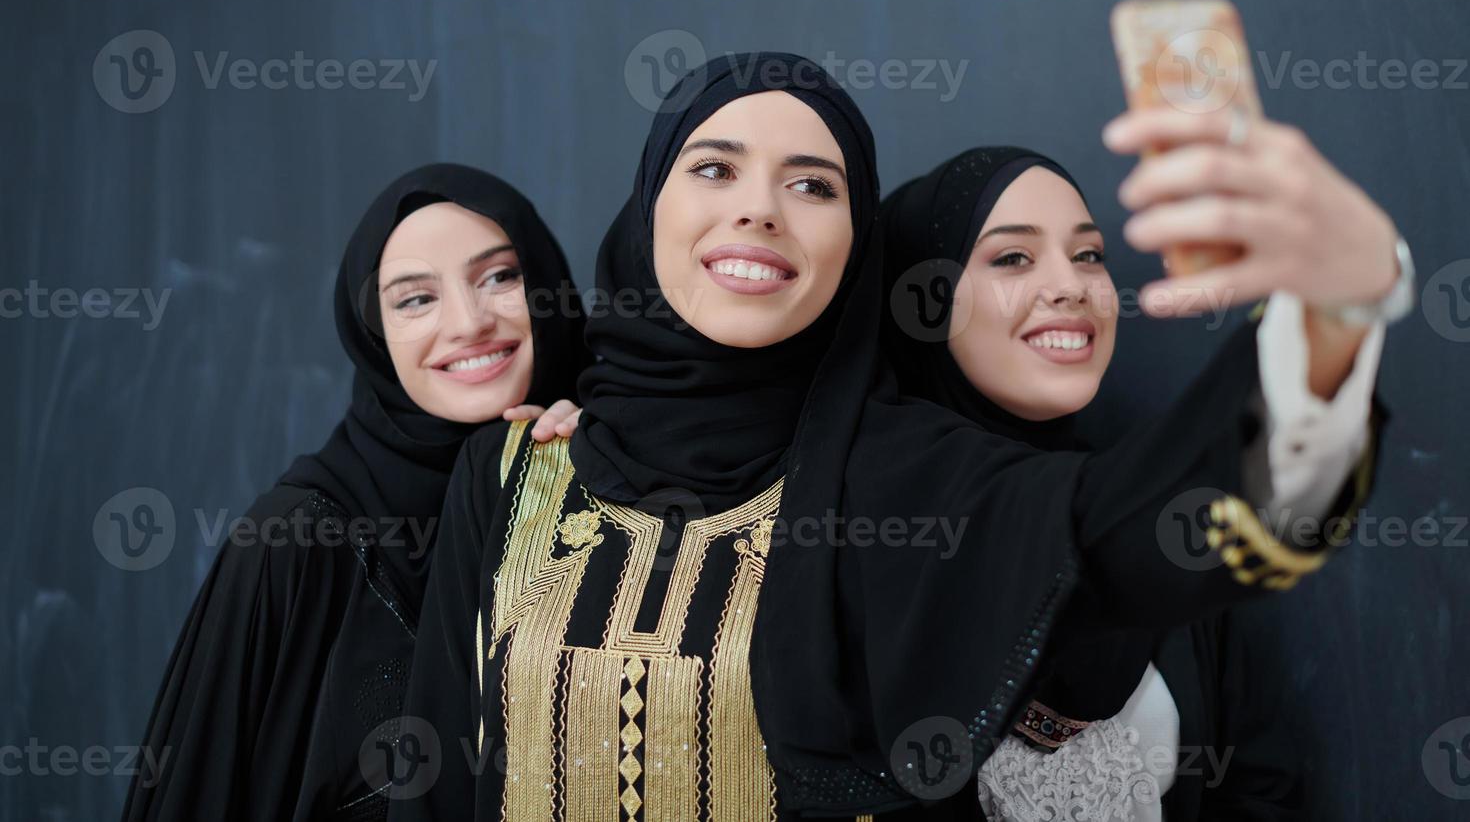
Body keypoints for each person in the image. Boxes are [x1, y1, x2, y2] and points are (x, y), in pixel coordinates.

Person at [391, 55, 1402, 820]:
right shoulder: (519, 467)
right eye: (713, 166)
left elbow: (1123, 529)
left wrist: (1335, 314)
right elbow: (437, 774)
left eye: (813, 184)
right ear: (652, 201)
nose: (759, 209)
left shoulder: (900, 472)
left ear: (854, 246)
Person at [881, 146, 1386, 819]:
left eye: (1089, 255)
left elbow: (1261, 788)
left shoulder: (1167, 528)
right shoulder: (862, 537)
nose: (1072, 287)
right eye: (1011, 258)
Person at [121, 163, 591, 822]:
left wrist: (597, 465)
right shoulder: (294, 544)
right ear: (373, 338)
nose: (469, 322)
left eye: (501, 277)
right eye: (415, 298)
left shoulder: (619, 485)